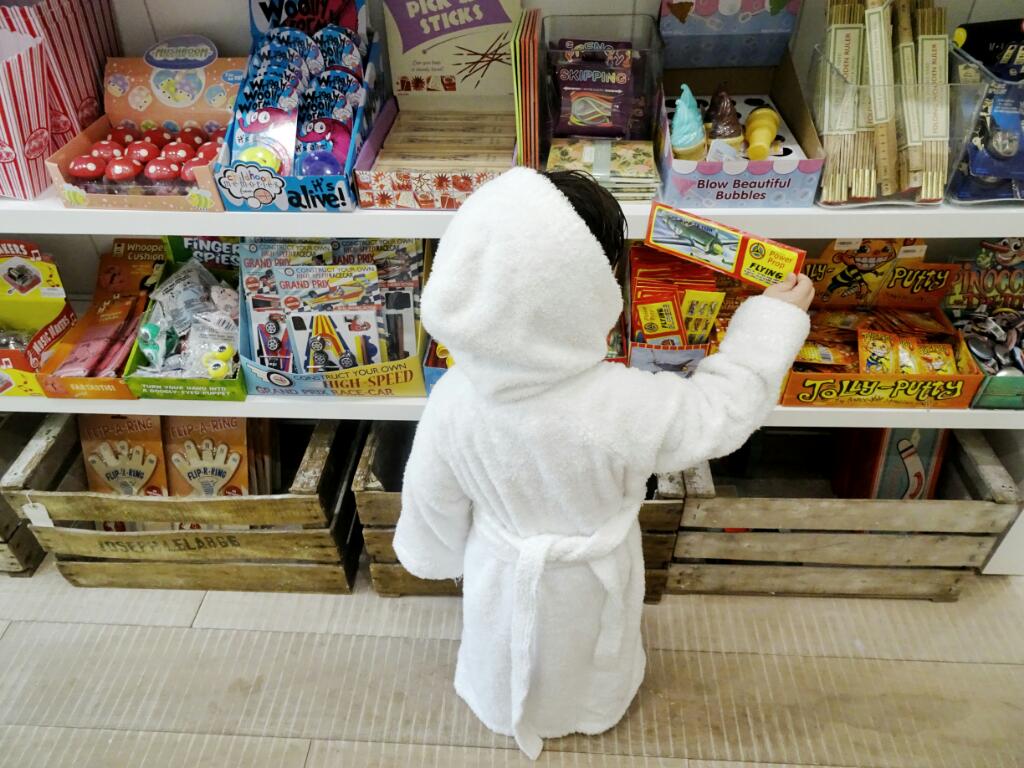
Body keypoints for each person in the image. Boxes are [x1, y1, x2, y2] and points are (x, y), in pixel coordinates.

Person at [394, 168, 813, 760]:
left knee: (502, 643)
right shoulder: (619, 404)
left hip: (502, 568)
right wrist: (769, 323)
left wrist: (432, 555)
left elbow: (431, 500)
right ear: (591, 285)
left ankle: (500, 697)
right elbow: (717, 413)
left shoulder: (454, 399)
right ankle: (589, 709)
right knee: (587, 655)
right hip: (590, 574)